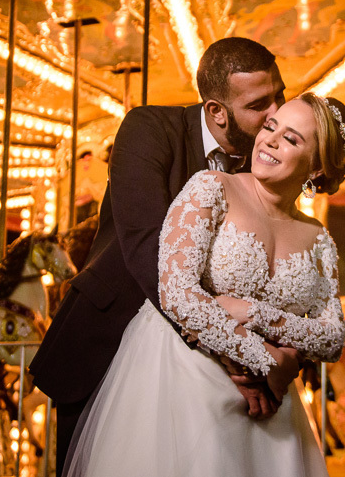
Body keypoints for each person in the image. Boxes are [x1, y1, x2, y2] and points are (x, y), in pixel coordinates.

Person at [31, 37, 289, 474]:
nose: (276, 113)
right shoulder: (149, 129)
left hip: (217, 368)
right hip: (114, 337)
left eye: (279, 94)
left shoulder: (264, 158)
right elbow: (147, 245)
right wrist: (229, 346)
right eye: (260, 103)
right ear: (216, 111)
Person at [65, 93, 345, 476]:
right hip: (185, 382)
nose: (270, 139)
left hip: (271, 409)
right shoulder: (210, 188)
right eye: (270, 127)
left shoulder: (317, 238)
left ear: (316, 168)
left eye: (292, 138)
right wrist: (265, 362)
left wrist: (255, 315)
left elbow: (332, 337)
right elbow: (177, 293)